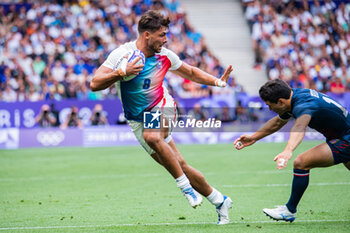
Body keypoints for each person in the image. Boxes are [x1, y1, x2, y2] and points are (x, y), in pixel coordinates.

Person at [91, 10, 233, 224]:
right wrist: (121, 72)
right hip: (136, 119)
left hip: (162, 106)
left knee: (152, 137)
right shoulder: (122, 54)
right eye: (162, 35)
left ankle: (185, 188)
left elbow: (191, 73)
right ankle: (220, 200)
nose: (165, 39)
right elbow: (95, 83)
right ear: (147, 35)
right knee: (178, 163)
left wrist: (217, 82)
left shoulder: (164, 55)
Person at [234, 79, 350, 222]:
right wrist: (254, 137)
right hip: (341, 136)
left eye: (270, 106)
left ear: (281, 102)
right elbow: (277, 122)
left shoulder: (303, 105)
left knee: (301, 162)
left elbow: (300, 126)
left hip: (346, 138)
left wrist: (288, 150)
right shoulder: (295, 96)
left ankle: (289, 210)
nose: (270, 109)